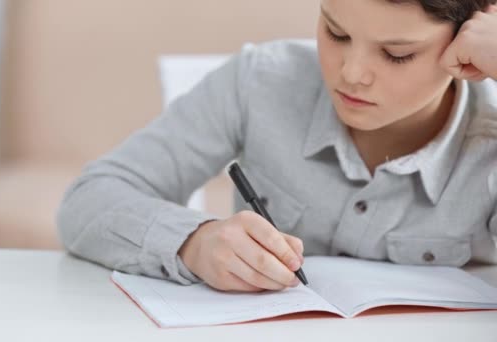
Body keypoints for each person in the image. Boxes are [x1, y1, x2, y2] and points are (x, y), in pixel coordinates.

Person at [57, 0, 497, 293]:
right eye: (336, 32)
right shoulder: (260, 81)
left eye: (397, 54)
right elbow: (88, 200)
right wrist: (194, 241)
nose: (352, 73)